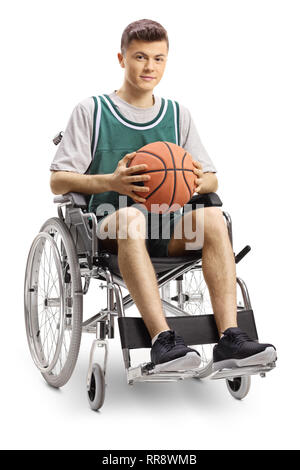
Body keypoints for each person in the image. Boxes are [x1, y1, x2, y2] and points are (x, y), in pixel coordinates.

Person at [50, 19, 276, 371]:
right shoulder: (91, 110)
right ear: (122, 58)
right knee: (132, 217)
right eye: (140, 57)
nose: (149, 67)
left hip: (168, 230)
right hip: (111, 226)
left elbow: (212, 179)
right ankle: (162, 342)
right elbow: (58, 182)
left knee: (215, 219)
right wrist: (112, 181)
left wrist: (189, 181)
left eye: (158, 59)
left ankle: (231, 338)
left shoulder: (177, 114)